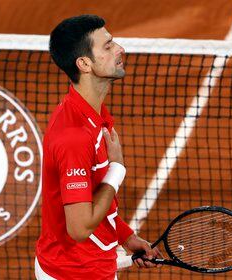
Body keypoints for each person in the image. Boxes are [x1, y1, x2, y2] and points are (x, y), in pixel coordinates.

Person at [35, 14, 160, 279]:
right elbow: (79, 228)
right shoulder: (74, 136)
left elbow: (89, 195)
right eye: (108, 46)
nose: (119, 50)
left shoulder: (92, 114)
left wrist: (125, 236)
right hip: (74, 273)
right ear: (84, 64)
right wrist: (117, 169)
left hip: (92, 264)